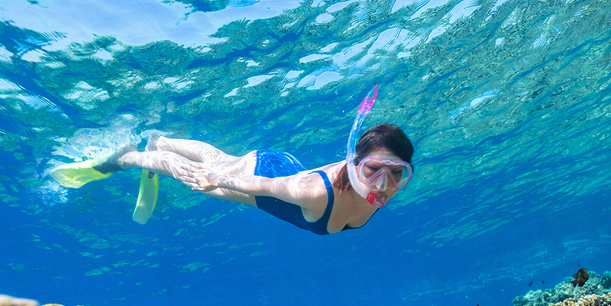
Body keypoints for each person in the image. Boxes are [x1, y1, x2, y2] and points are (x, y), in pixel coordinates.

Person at [49, 86, 414, 233]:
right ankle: (128, 157)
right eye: (373, 171)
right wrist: (216, 181)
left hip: (281, 169)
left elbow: (372, 169)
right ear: (354, 165)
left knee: (219, 158)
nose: (383, 186)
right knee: (199, 175)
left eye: (397, 175)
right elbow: (263, 185)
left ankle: (163, 139)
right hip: (269, 177)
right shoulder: (316, 193)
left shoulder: (376, 190)